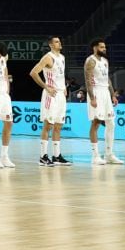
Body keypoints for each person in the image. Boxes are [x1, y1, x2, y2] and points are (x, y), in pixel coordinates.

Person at [29, 36, 70, 167]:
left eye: (60, 41)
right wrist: (46, 86)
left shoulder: (62, 57)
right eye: (57, 41)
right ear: (51, 45)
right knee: (48, 125)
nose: (60, 43)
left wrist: (64, 88)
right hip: (50, 95)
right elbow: (33, 72)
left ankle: (57, 156)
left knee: (58, 126)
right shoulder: (48, 57)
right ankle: (42, 156)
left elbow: (61, 76)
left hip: (60, 94)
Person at [85, 38, 123, 165]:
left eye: (105, 47)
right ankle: (95, 155)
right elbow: (88, 80)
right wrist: (92, 97)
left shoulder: (105, 61)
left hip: (106, 92)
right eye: (101, 47)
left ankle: (109, 154)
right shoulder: (90, 61)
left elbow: (108, 79)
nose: (104, 49)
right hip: (96, 92)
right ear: (95, 48)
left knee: (111, 123)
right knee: (96, 123)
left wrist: (113, 95)